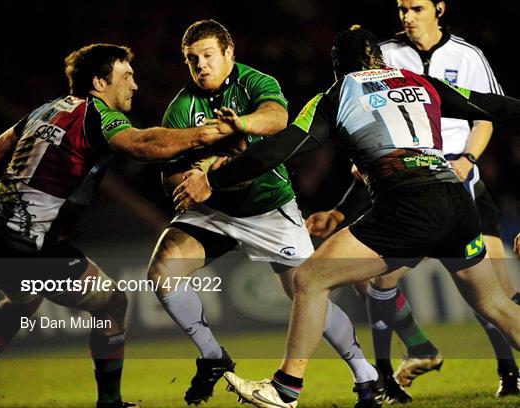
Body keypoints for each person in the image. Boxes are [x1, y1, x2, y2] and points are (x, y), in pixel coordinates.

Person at [174, 25, 520, 408]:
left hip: (406, 205)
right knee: (496, 303)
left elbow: (279, 150)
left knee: (310, 278)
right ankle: (410, 350)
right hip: (455, 201)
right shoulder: (421, 82)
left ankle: (285, 388)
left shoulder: (338, 94)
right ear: (380, 58)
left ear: (337, 66)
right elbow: (499, 107)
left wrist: (214, 178)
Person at [0, 43, 232, 408]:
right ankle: (110, 403)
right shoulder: (95, 114)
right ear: (99, 83)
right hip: (26, 244)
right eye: (126, 76)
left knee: (22, 301)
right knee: (113, 302)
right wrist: (208, 133)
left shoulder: (45, 109)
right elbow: (143, 144)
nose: (134, 86)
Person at [147, 19, 382, 407]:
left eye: (208, 56)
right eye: (192, 60)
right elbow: (171, 171)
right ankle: (213, 357)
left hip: (268, 208)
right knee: (162, 270)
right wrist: (184, 182)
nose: (201, 65)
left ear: (229, 53)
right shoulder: (180, 108)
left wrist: (239, 125)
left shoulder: (255, 82)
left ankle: (365, 374)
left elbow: (277, 118)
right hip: (215, 211)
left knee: (306, 291)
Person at [307, 1, 520, 400]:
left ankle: (509, 373)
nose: (406, 15)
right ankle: (415, 352)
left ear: (439, 9)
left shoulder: (468, 55)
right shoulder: (386, 54)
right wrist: (344, 204)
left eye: (416, 7)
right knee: (374, 280)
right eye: (401, 8)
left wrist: (468, 159)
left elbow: (485, 112)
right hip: (407, 185)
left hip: (463, 180)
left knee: (496, 295)